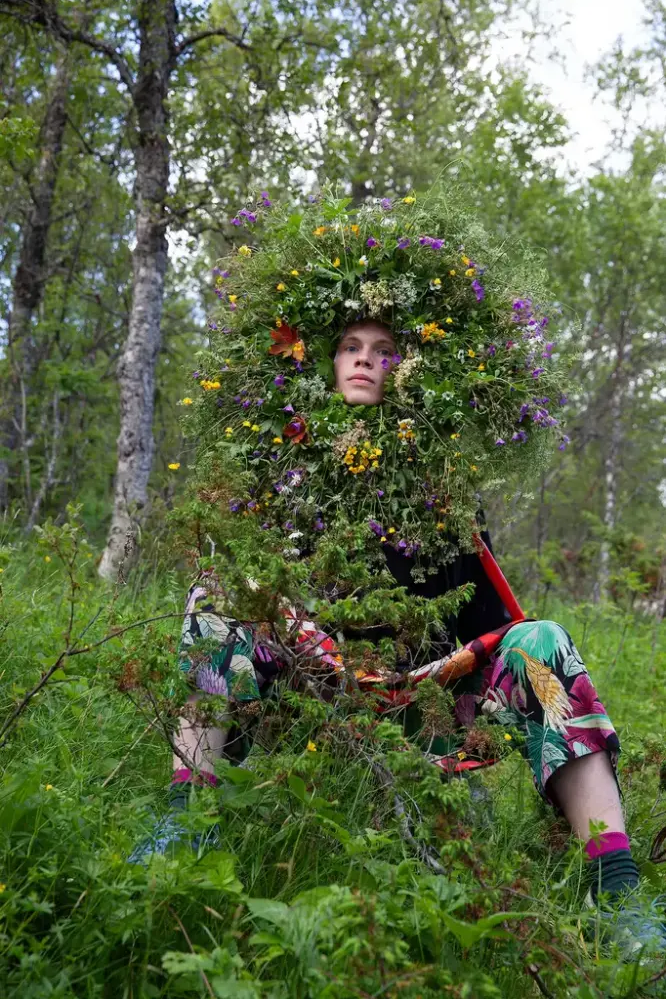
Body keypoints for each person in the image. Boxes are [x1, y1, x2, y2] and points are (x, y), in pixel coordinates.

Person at [129, 322, 664, 953]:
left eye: (385, 353)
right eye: (352, 349)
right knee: (216, 590)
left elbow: (485, 624)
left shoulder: (445, 490)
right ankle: (184, 822)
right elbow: (251, 579)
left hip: (420, 700)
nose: (366, 362)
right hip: (303, 684)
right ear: (327, 363)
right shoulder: (283, 469)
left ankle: (617, 890)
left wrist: (466, 679)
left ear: (408, 373)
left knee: (542, 640)